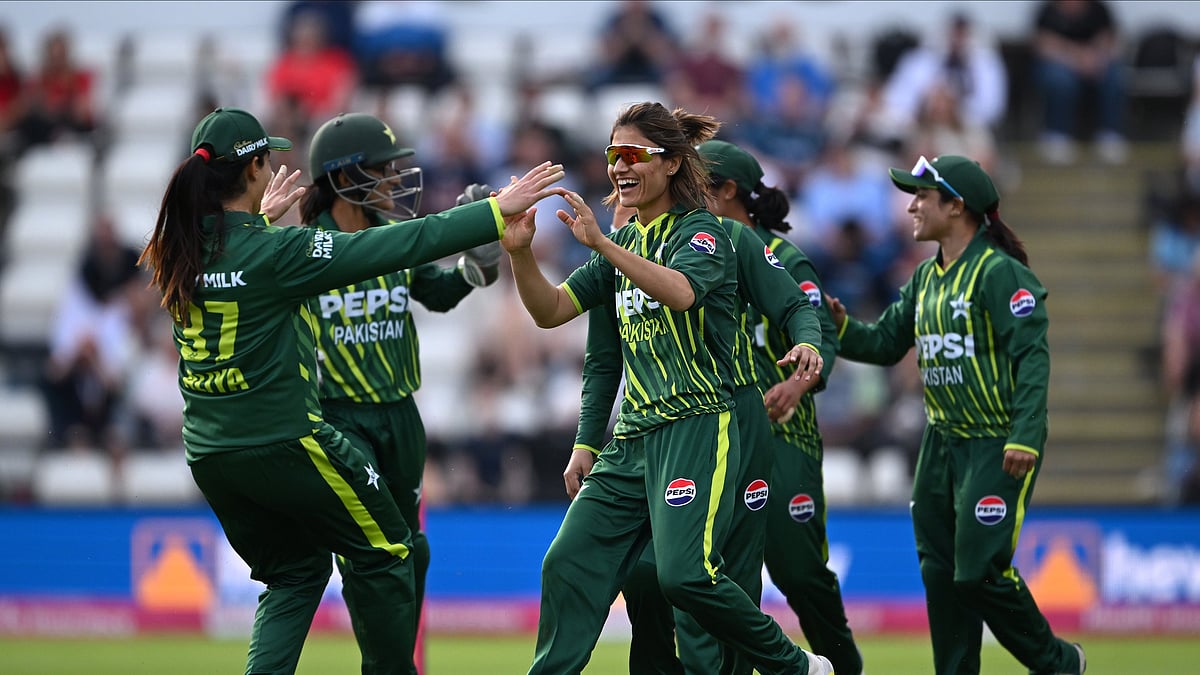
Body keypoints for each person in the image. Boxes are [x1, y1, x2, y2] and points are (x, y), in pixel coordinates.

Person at [136, 105, 562, 675]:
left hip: (212, 451)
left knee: (298, 573)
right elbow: (398, 246)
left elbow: (243, 264)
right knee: (389, 550)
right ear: (257, 167)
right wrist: (492, 215)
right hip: (294, 435)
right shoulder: (283, 250)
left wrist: (259, 225)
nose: (392, 180)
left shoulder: (180, 249)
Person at [504, 101, 834, 675]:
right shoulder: (624, 243)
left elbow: (682, 293)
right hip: (635, 435)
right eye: (613, 155)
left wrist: (605, 245)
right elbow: (551, 310)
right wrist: (520, 253)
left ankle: (794, 666)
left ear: (674, 164)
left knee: (683, 575)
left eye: (634, 155)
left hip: (702, 421)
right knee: (568, 561)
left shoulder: (706, 233)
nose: (619, 167)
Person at [826, 154, 1086, 675]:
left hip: (997, 444)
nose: (912, 205)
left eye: (923, 195)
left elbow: (1032, 358)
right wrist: (841, 327)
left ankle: (1059, 662)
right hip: (940, 446)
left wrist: (1025, 436)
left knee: (978, 572)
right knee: (942, 575)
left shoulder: (999, 273)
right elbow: (883, 343)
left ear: (956, 206)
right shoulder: (925, 279)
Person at [298, 111, 504, 659]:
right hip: (341, 420)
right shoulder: (304, 249)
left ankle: (392, 662)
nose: (394, 181)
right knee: (374, 552)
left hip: (400, 416)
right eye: (382, 170)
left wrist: (474, 270)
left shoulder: (391, 236)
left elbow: (435, 292)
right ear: (343, 179)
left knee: (414, 550)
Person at [1031, 0, 1128, 165]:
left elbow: (1111, 40)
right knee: (1060, 79)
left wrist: (1096, 58)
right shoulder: (1048, 11)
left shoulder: (1099, 10)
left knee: (1114, 76)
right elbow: (1042, 45)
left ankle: (1110, 136)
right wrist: (1076, 58)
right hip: (1061, 64)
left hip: (1094, 63)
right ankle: (1057, 135)